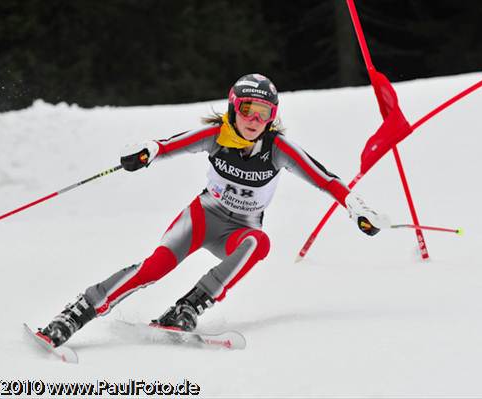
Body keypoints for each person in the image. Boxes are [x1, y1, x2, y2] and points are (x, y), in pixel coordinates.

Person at [38, 73, 388, 347]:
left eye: (263, 112)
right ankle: (76, 314)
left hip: (238, 231)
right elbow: (167, 146)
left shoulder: (278, 148)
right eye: (247, 108)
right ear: (233, 108)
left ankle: (188, 306)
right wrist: (145, 151)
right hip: (202, 219)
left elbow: (325, 179)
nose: (254, 118)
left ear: (272, 117)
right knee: (154, 268)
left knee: (259, 243)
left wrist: (355, 207)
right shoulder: (216, 136)